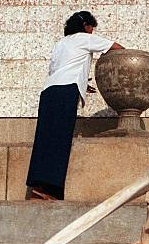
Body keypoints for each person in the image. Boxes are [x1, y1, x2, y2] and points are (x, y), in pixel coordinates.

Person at [26, 11, 124, 201]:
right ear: (85, 25)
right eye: (91, 27)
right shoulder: (83, 39)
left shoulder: (61, 43)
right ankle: (50, 189)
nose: (92, 31)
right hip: (65, 92)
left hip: (49, 91)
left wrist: (82, 83)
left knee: (44, 138)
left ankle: (37, 187)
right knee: (60, 138)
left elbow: (59, 68)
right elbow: (116, 48)